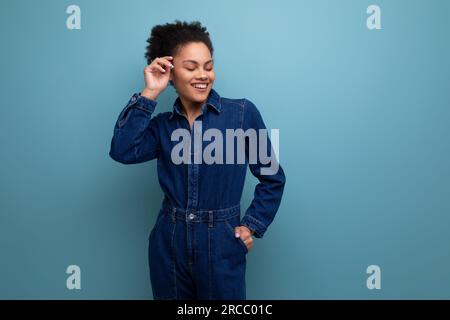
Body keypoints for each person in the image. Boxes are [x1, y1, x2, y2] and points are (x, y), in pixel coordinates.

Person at [109, 20, 286, 300]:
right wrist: (150, 92)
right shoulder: (161, 126)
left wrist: (251, 224)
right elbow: (122, 150)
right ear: (169, 71)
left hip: (222, 244)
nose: (203, 75)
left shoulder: (241, 114)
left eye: (208, 66)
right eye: (191, 67)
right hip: (169, 244)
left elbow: (272, 177)